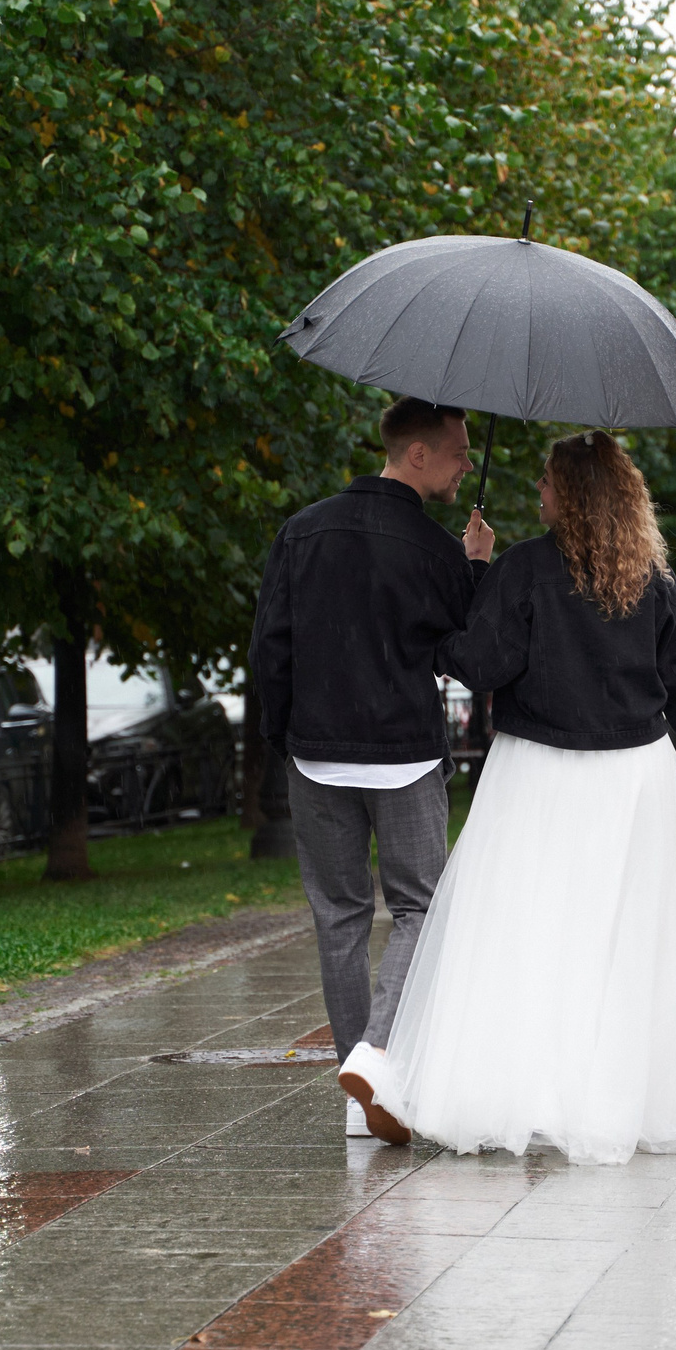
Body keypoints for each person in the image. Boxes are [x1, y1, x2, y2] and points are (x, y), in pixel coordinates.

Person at [365, 431, 676, 1166]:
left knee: (526, 930)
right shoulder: (656, 583)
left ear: (570, 494)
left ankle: (516, 1089)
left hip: (537, 770)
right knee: (619, 940)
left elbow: (484, 661)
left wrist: (463, 589)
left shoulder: (524, 570)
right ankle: (607, 1097)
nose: (537, 490)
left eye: (545, 480)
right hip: (634, 777)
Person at [248, 397, 494, 1144]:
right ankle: (376, 1055)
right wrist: (476, 567)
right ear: (415, 454)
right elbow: (469, 646)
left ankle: (362, 1095)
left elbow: (270, 649)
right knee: (421, 906)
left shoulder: (302, 530)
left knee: (340, 914)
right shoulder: (433, 548)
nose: (462, 464)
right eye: (455, 451)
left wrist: (278, 742)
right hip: (405, 759)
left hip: (316, 754)